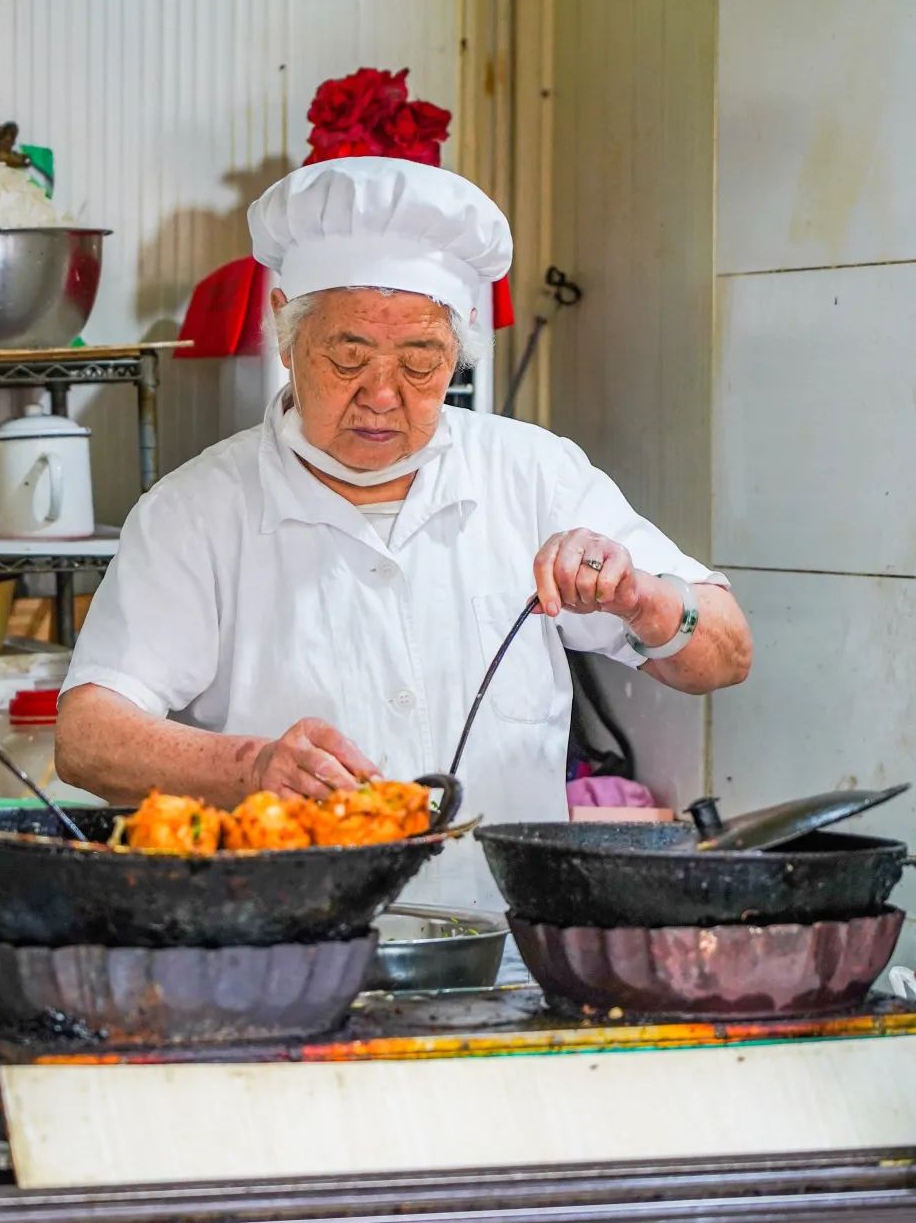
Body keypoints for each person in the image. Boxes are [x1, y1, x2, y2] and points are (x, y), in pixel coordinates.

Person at [57, 157, 751, 909]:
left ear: (457, 354)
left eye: (421, 364)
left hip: (513, 951)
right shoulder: (196, 511)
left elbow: (726, 651)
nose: (382, 396)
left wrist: (643, 599)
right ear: (286, 334)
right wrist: (248, 767)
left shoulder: (534, 475)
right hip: (282, 952)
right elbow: (87, 736)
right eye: (347, 357)